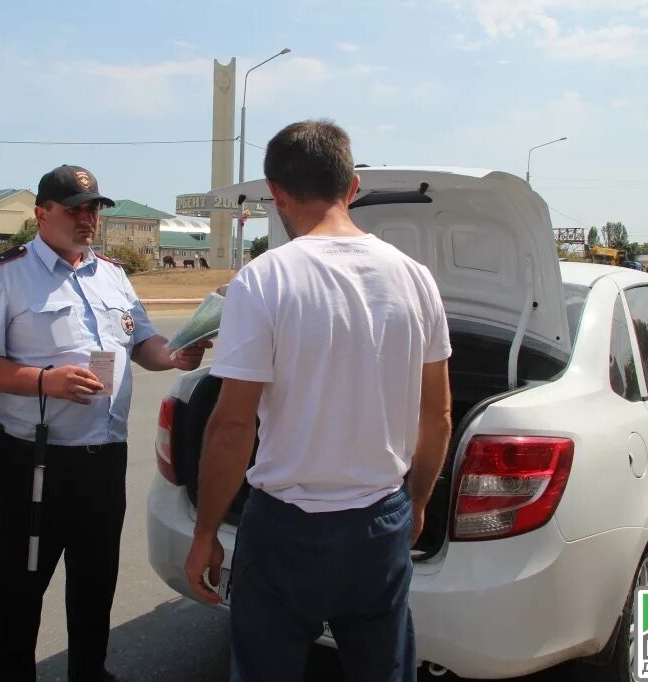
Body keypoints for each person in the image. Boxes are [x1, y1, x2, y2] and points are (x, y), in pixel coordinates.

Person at [184, 120, 453, 682]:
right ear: (352, 186)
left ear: (276, 193)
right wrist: (419, 501)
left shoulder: (264, 281)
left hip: (285, 532)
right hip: (380, 522)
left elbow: (231, 427)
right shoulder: (416, 279)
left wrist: (207, 532)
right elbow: (439, 413)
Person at [0, 165, 209, 682]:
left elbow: (142, 343)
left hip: (103, 457)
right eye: (75, 209)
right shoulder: (4, 274)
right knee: (21, 584)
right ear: (41, 213)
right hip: (35, 460)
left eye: (94, 209)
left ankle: (90, 672)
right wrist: (44, 381)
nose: (87, 219)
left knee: (96, 583)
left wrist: (175, 356)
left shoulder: (112, 273)